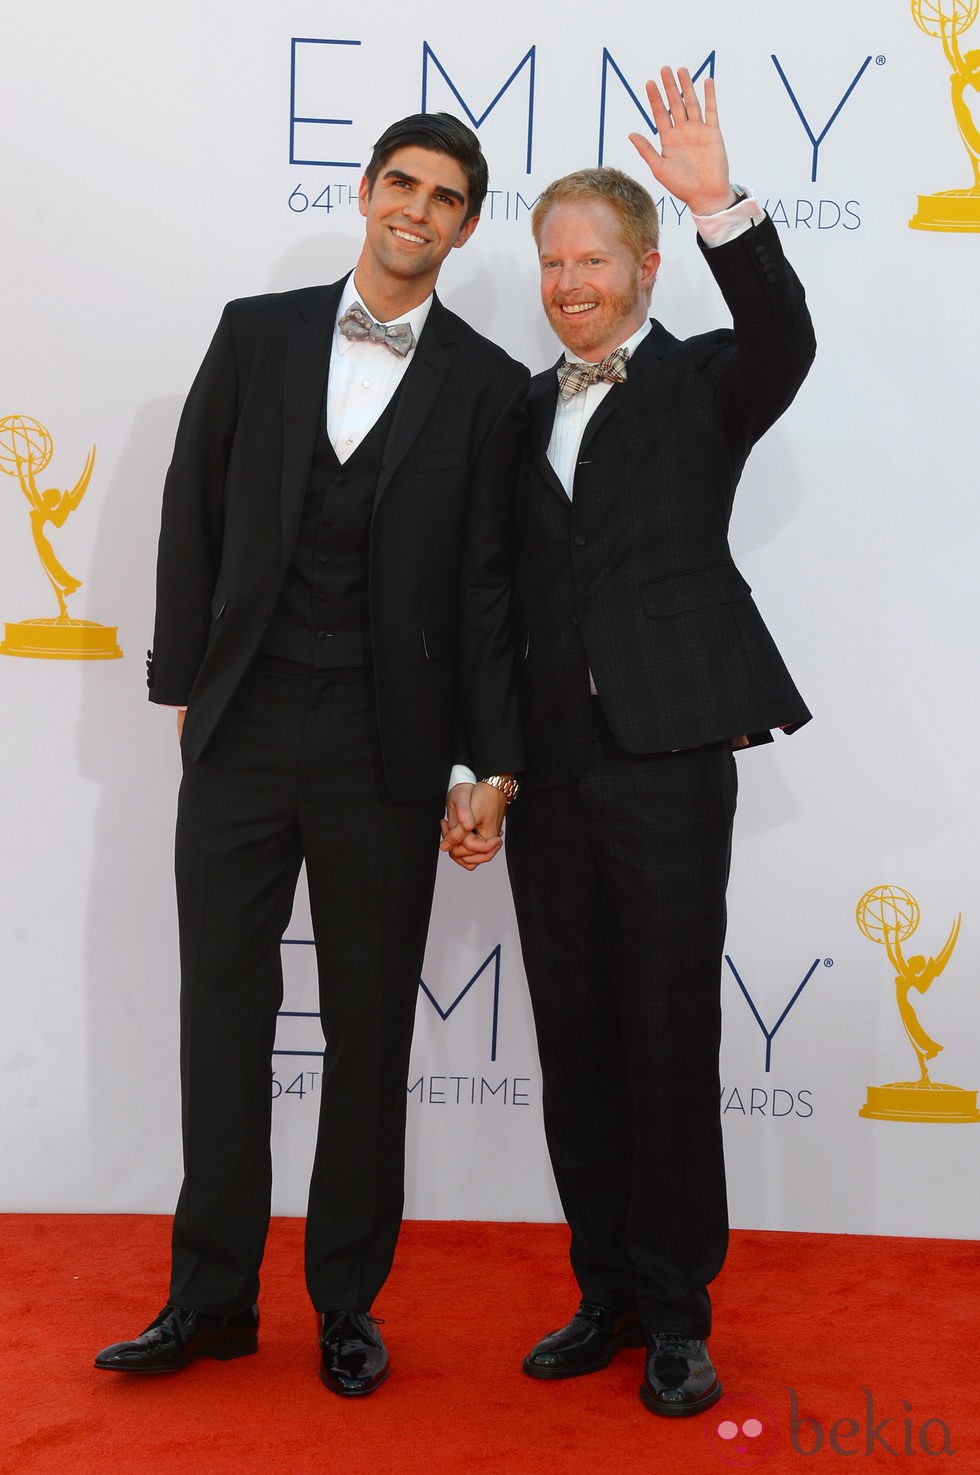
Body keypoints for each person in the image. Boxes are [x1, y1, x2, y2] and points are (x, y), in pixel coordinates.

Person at [94, 112, 526, 1395]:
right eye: (402, 183)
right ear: (365, 190)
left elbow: (486, 593)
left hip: (384, 748)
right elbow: (192, 503)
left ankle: (345, 1301)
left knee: (366, 1033)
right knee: (220, 1015)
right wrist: (185, 685)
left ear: (464, 224)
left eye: (446, 197)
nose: (417, 209)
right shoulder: (253, 330)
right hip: (242, 727)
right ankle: (210, 1298)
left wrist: (479, 761)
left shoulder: (491, 385)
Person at [502, 67, 814, 1416]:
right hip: (551, 764)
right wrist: (485, 757)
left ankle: (682, 1312)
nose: (571, 282)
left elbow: (788, 339)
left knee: (670, 1033)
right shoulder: (517, 407)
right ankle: (607, 1292)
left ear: (641, 262)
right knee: (576, 1037)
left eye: (594, 259)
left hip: (671, 751)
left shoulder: (705, 380)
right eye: (552, 262)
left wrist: (721, 208)